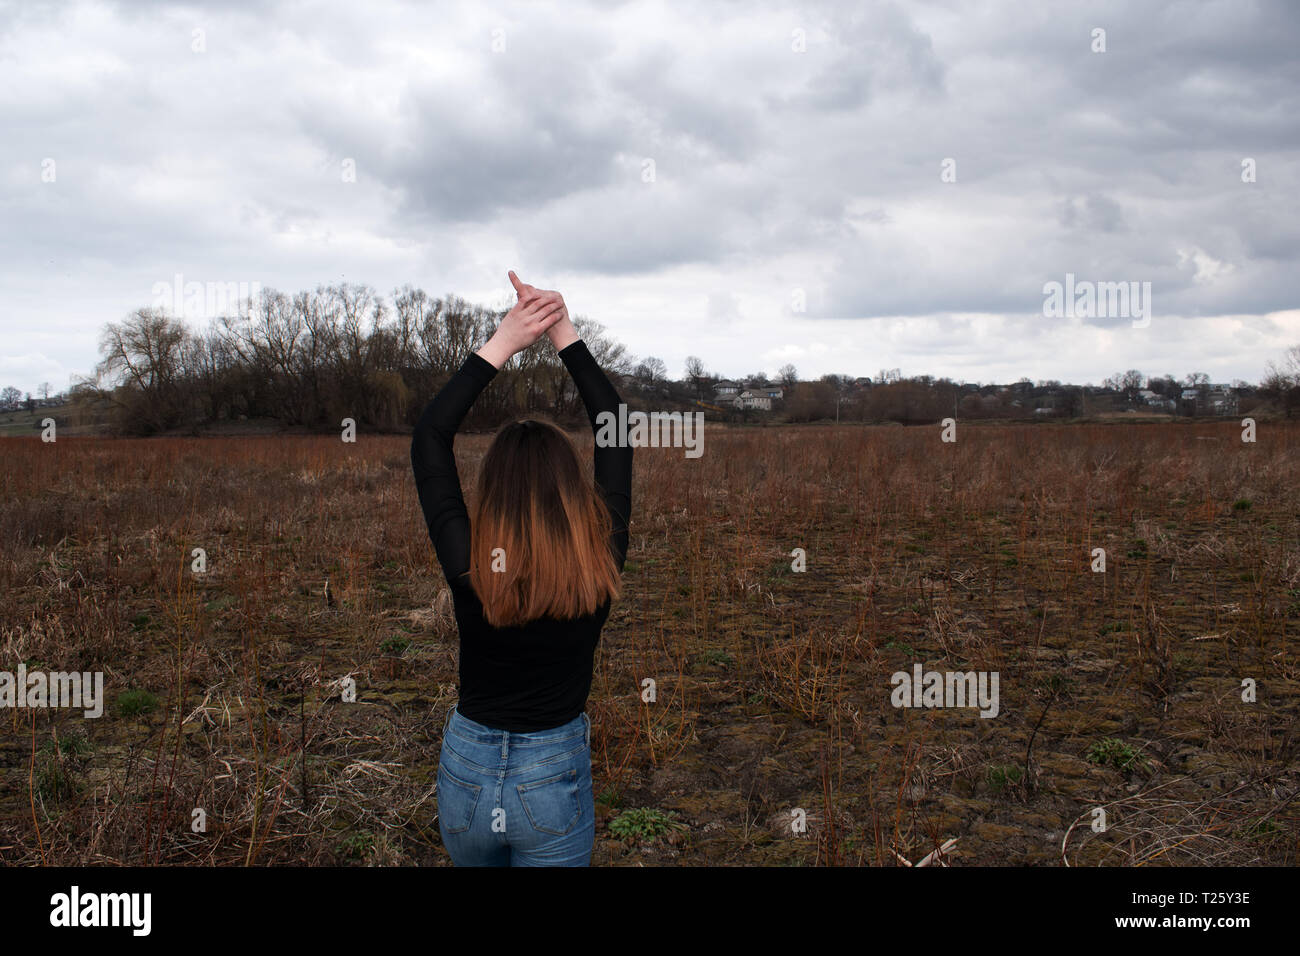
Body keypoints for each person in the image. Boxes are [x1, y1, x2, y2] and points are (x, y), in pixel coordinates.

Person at [410, 271, 632, 866]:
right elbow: (613, 425)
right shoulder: (597, 559)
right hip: (552, 773)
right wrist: (562, 331)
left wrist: (503, 343)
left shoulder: (471, 562)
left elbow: (430, 437)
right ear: (571, 489)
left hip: (468, 773)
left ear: (494, 490)